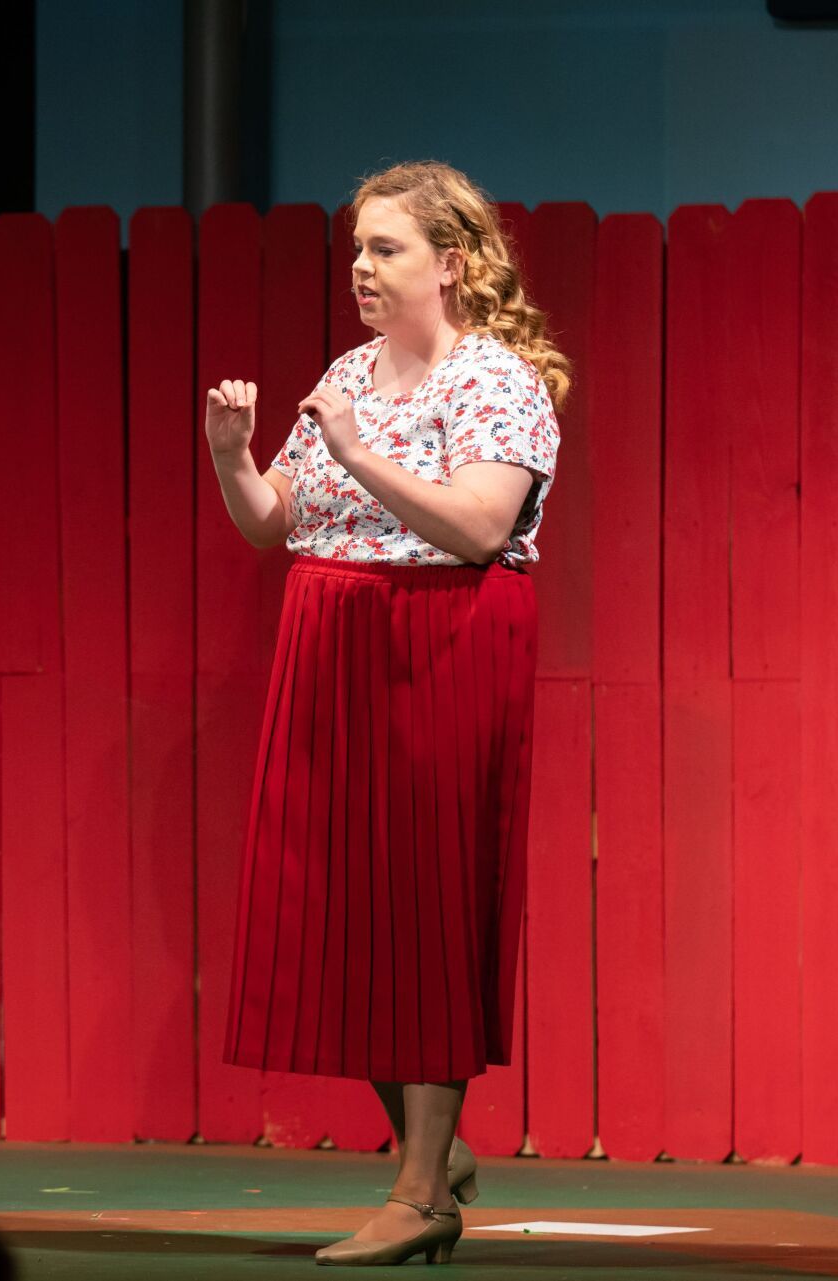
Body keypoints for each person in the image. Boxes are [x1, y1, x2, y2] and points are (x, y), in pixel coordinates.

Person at [206, 160, 568, 1267]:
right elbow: (275, 520)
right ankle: (433, 1151)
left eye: (386, 248)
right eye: (357, 248)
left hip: (439, 641)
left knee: (424, 908)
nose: (360, 267)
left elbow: (480, 525)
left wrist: (360, 449)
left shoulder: (494, 377)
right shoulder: (350, 371)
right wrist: (230, 457)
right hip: (331, 644)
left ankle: (421, 1192)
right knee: (335, 912)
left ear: (450, 263)